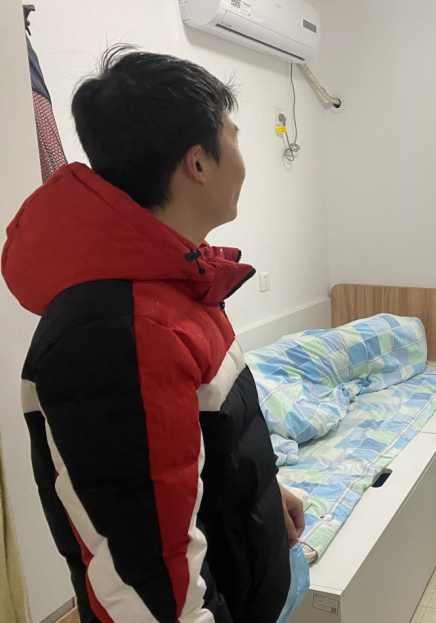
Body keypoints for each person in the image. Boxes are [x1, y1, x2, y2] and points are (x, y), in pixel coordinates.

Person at [2, 46, 304, 623]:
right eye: (235, 136)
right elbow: (148, 582)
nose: (243, 159)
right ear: (198, 162)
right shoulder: (118, 332)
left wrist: (263, 492)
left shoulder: (180, 283)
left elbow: (194, 455)